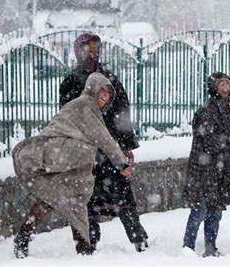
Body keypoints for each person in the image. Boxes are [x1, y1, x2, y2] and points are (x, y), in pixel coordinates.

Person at [12, 73, 129, 258]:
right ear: (93, 90)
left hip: (71, 167)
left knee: (72, 203)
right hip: (62, 159)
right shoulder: (85, 105)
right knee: (61, 201)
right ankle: (27, 238)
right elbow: (103, 138)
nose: (105, 96)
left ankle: (80, 247)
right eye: (102, 91)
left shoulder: (89, 109)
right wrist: (122, 163)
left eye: (108, 92)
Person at [59, 33, 148, 254]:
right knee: (84, 197)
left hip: (109, 149)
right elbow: (66, 116)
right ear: (78, 50)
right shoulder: (71, 82)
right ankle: (88, 242)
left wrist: (126, 145)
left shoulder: (109, 78)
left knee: (122, 192)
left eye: (96, 47)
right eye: (88, 47)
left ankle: (137, 237)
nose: (93, 51)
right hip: (84, 150)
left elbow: (122, 112)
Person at [182, 72, 230, 257]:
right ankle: (187, 249)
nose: (225, 88)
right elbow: (208, 142)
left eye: (227, 84)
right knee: (200, 210)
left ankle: (210, 248)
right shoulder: (207, 110)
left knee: (215, 211)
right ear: (213, 88)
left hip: (220, 169)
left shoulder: (227, 109)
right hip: (204, 169)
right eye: (221, 84)